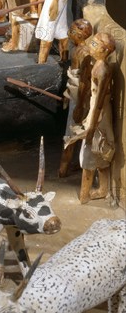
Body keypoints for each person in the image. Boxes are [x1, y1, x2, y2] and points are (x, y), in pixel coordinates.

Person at [64, 32, 116, 204]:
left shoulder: (102, 70)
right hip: (93, 110)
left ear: (104, 50)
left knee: (94, 151)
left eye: (94, 45)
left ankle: (87, 193)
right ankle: (98, 189)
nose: (90, 47)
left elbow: (100, 100)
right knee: (95, 152)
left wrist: (92, 124)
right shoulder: (94, 65)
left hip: (100, 115)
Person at [59, 18, 93, 178]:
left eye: (72, 31)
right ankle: (64, 168)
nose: (68, 34)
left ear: (78, 35)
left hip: (80, 96)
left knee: (72, 131)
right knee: (70, 131)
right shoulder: (76, 49)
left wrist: (79, 104)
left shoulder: (85, 53)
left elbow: (85, 82)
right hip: (73, 91)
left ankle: (64, 168)